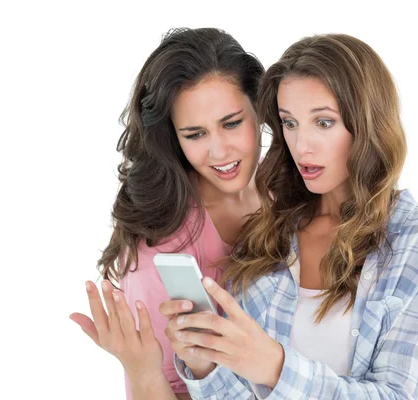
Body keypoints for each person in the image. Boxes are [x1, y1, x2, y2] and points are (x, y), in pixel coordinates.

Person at [164, 33, 418, 399]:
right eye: (289, 123)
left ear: (367, 123)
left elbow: (401, 395)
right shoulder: (266, 233)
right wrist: (204, 364)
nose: (301, 146)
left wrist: (274, 367)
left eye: (323, 123)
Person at [68, 27, 264, 400]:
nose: (219, 152)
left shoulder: (290, 188)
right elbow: (167, 387)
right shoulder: (161, 243)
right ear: (173, 137)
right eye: (195, 134)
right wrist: (140, 371)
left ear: (261, 109)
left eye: (232, 123)